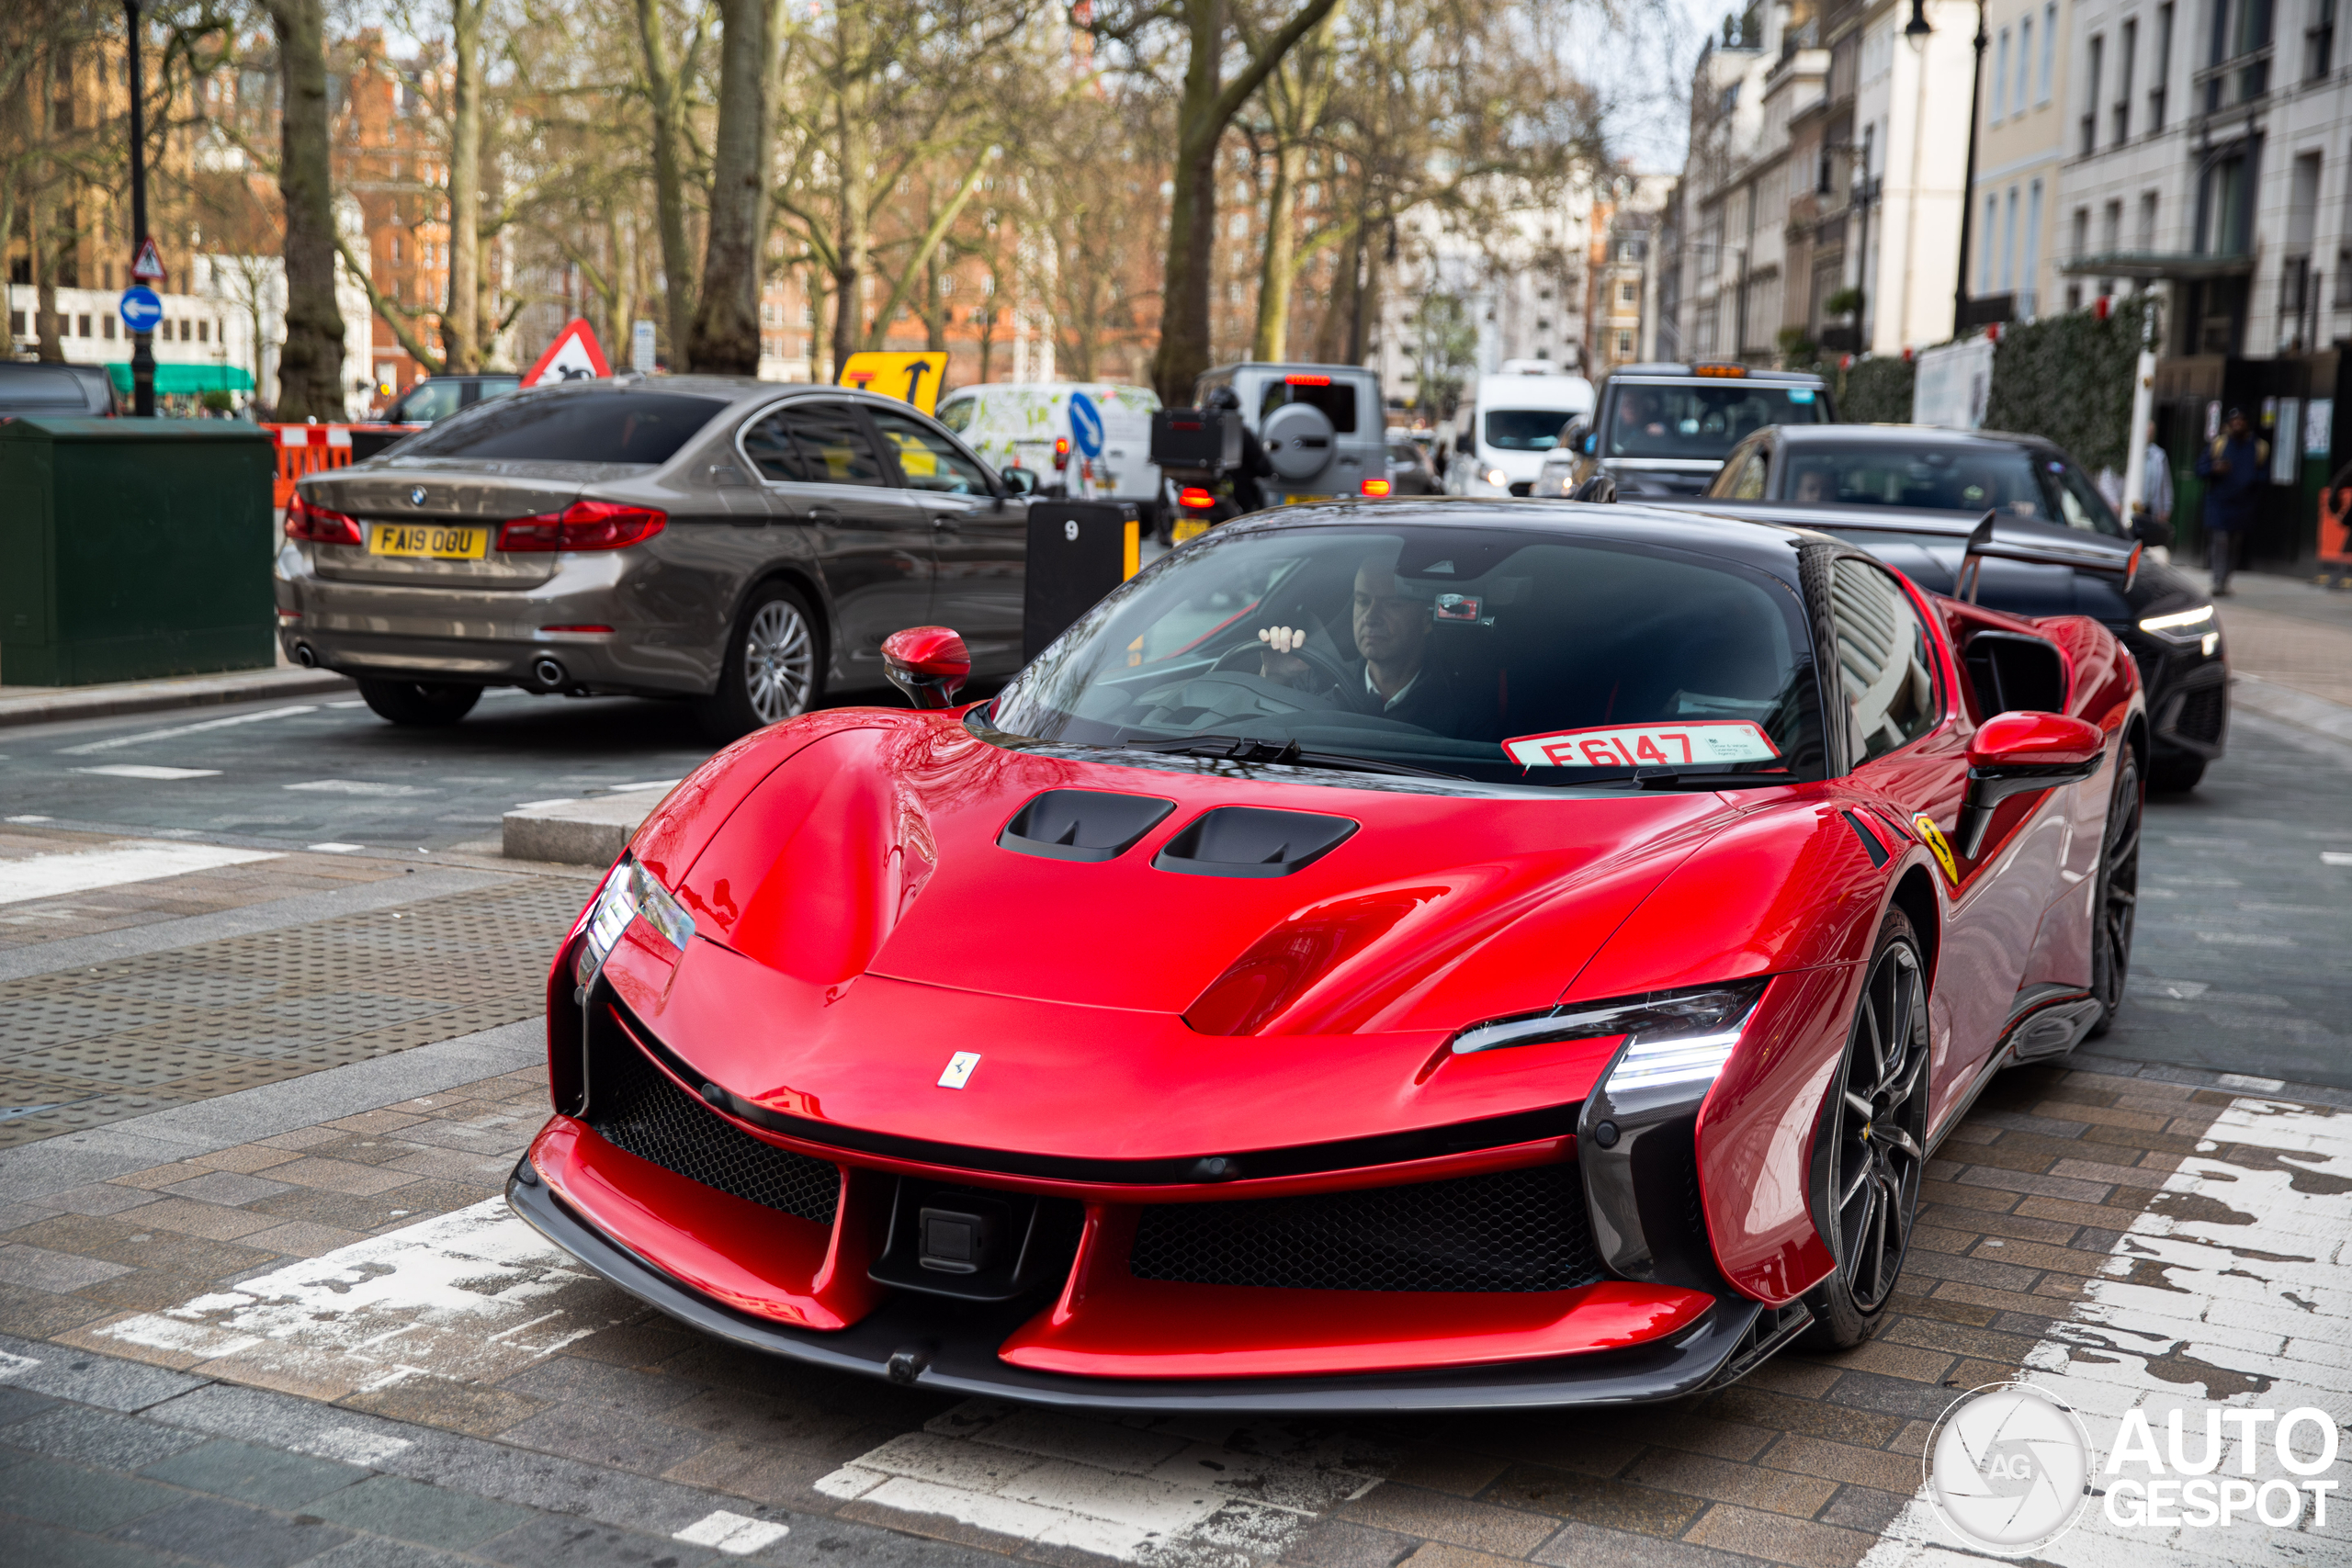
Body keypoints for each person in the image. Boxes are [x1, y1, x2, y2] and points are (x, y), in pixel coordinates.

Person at [1254, 554, 1467, 735]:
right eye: (1363, 601)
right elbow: (1263, 739)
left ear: (1426, 619)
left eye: (1393, 604)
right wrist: (1275, 676)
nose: (1370, 617)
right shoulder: (1317, 682)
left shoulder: (1460, 704)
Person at [2193, 408, 2267, 595]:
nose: (2238, 424)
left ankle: (2225, 579)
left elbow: (2264, 474)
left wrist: (2252, 482)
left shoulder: (2258, 447)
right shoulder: (2219, 444)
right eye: (2234, 420)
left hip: (2243, 504)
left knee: (2235, 544)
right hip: (2219, 502)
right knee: (2220, 541)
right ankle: (2217, 581)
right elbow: (2200, 469)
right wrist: (2214, 468)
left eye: (2241, 420)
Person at [1206, 385, 1274, 513]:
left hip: (1203, 488)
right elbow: (1260, 464)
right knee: (1253, 514)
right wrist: (1269, 471)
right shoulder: (1242, 433)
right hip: (1238, 494)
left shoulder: (1202, 430)